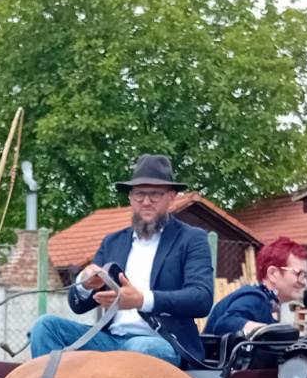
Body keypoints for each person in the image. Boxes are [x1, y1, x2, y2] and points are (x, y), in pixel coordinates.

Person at [28, 155, 213, 366]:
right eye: (139, 194)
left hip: (161, 342)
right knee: (45, 327)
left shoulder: (191, 239)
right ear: (130, 198)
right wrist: (85, 283)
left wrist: (142, 300)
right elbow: (78, 306)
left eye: (154, 195)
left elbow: (201, 298)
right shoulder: (113, 242)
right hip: (109, 340)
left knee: (140, 348)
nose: (146, 201)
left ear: (171, 197)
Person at [205, 236, 307, 336]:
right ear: (273, 274)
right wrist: (275, 333)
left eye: (305, 275)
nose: (304, 282)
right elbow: (225, 323)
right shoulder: (255, 297)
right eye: (298, 273)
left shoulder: (267, 302)